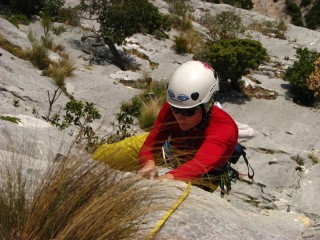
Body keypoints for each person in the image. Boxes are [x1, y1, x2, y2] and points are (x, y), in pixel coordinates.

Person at [137, 60, 239, 187]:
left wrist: (168, 177)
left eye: (188, 111)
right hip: (175, 153)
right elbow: (149, 147)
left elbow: (199, 165)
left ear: (207, 106)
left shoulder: (224, 128)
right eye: (175, 109)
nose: (179, 117)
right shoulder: (170, 109)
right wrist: (148, 163)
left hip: (207, 174)